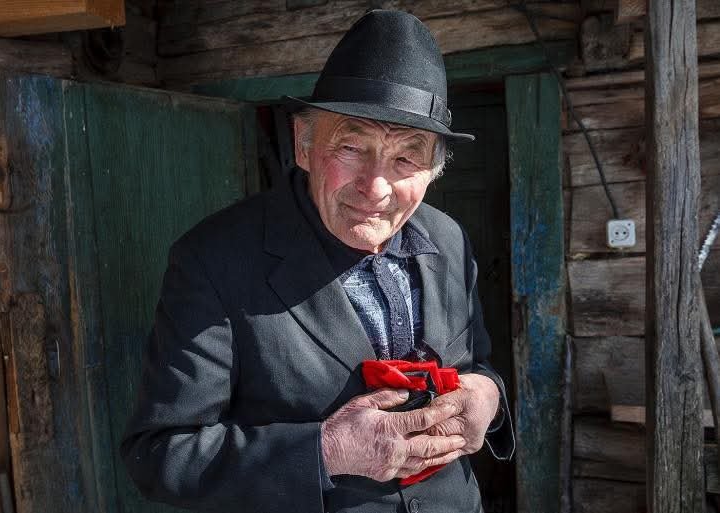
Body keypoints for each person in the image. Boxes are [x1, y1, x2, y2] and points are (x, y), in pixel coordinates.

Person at [120, 9, 515, 513]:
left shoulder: (449, 238)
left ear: (432, 170)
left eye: (405, 158)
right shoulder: (214, 260)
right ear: (303, 144)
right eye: (351, 146)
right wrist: (327, 451)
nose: (376, 188)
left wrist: (489, 396)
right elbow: (160, 455)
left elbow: (474, 364)